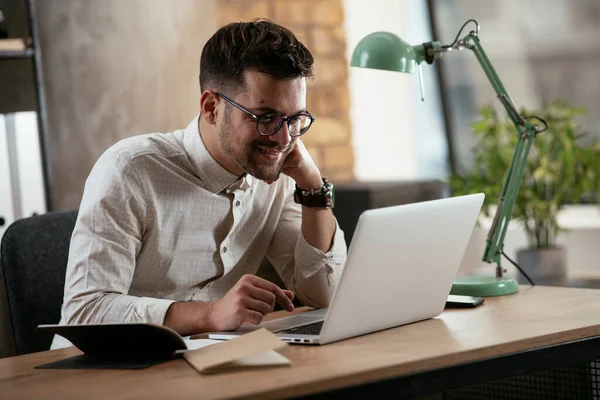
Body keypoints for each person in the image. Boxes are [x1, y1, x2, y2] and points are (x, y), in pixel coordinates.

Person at [51, 19, 347, 349]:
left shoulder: (273, 175)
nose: (283, 138)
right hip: (95, 373)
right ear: (211, 107)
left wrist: (313, 187)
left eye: (294, 120)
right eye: (266, 117)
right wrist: (208, 315)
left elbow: (325, 292)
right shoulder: (130, 170)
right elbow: (85, 312)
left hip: (204, 366)